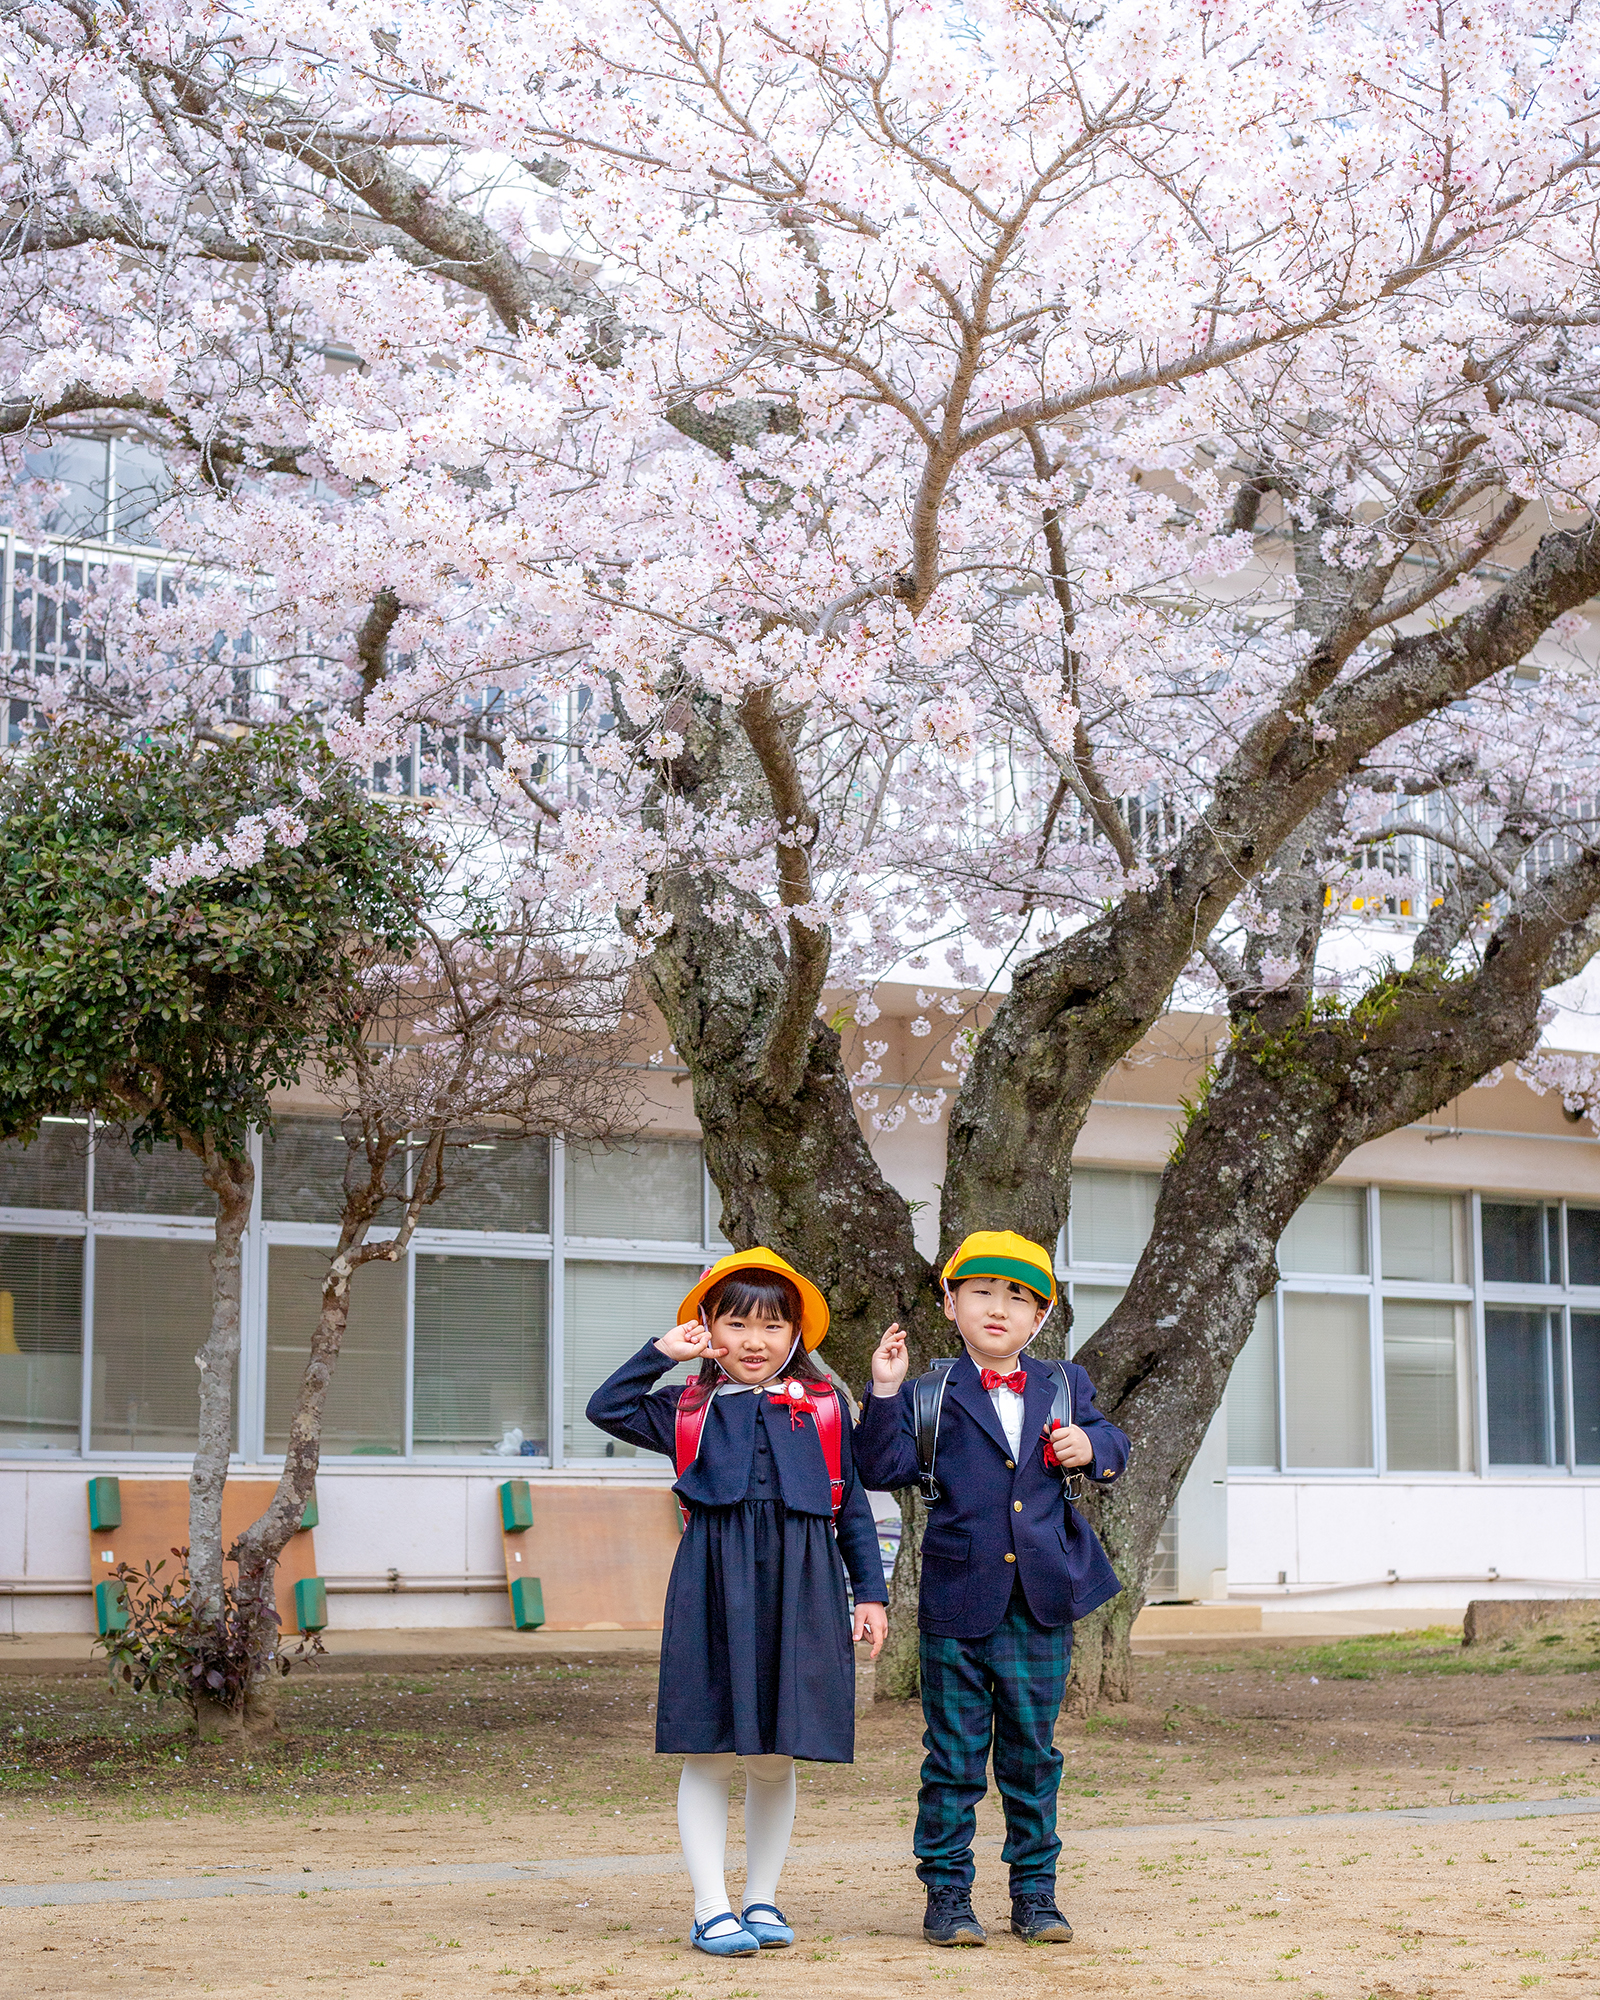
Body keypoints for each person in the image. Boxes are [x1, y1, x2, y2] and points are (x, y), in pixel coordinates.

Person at [586, 1247, 888, 1959]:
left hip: (805, 1588)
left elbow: (852, 1512)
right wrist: (661, 1351)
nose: (755, 1342)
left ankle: (761, 1898)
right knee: (711, 1750)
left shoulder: (824, 1410)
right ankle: (709, 1908)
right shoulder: (684, 1407)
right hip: (711, 1586)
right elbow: (608, 1406)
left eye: (773, 1326)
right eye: (736, 1324)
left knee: (776, 1755)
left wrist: (870, 1593)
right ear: (709, 1329)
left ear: (796, 1335)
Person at [853, 1229, 1129, 1949]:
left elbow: (1116, 1446)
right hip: (956, 1602)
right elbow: (881, 1468)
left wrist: (1092, 1447)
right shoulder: (927, 1394)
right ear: (950, 1303)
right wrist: (883, 1388)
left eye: (1018, 1298)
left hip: (1042, 1602)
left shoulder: (1065, 1384)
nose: (999, 1308)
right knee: (952, 1758)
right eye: (981, 1292)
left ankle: (1035, 1895)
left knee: (1032, 1756)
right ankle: (947, 1894)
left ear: (1039, 1318)